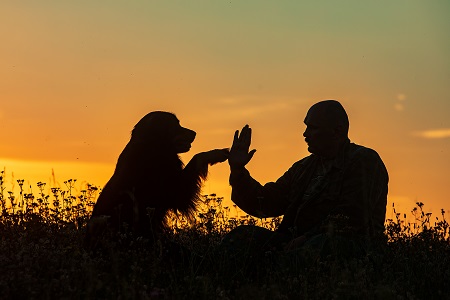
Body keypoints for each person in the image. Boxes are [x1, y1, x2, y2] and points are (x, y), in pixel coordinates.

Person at [221, 100, 388, 270]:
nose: (305, 134)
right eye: (306, 127)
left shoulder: (364, 161)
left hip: (349, 248)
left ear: (337, 131)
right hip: (294, 244)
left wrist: (306, 238)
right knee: (242, 236)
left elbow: (351, 217)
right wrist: (238, 171)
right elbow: (266, 202)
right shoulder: (303, 168)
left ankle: (271, 273)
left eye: (313, 128)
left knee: (322, 245)